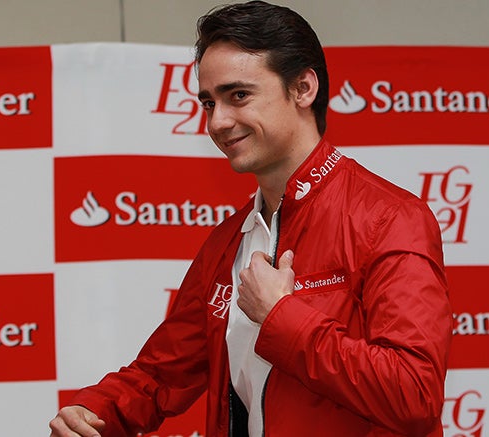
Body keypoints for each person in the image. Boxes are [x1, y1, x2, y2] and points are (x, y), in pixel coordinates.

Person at [49, 1, 452, 436]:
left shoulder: (390, 218)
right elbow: (161, 374)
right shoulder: (228, 241)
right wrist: (94, 411)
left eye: (238, 95)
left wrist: (281, 316)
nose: (218, 122)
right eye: (208, 102)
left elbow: (414, 394)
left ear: (303, 88)